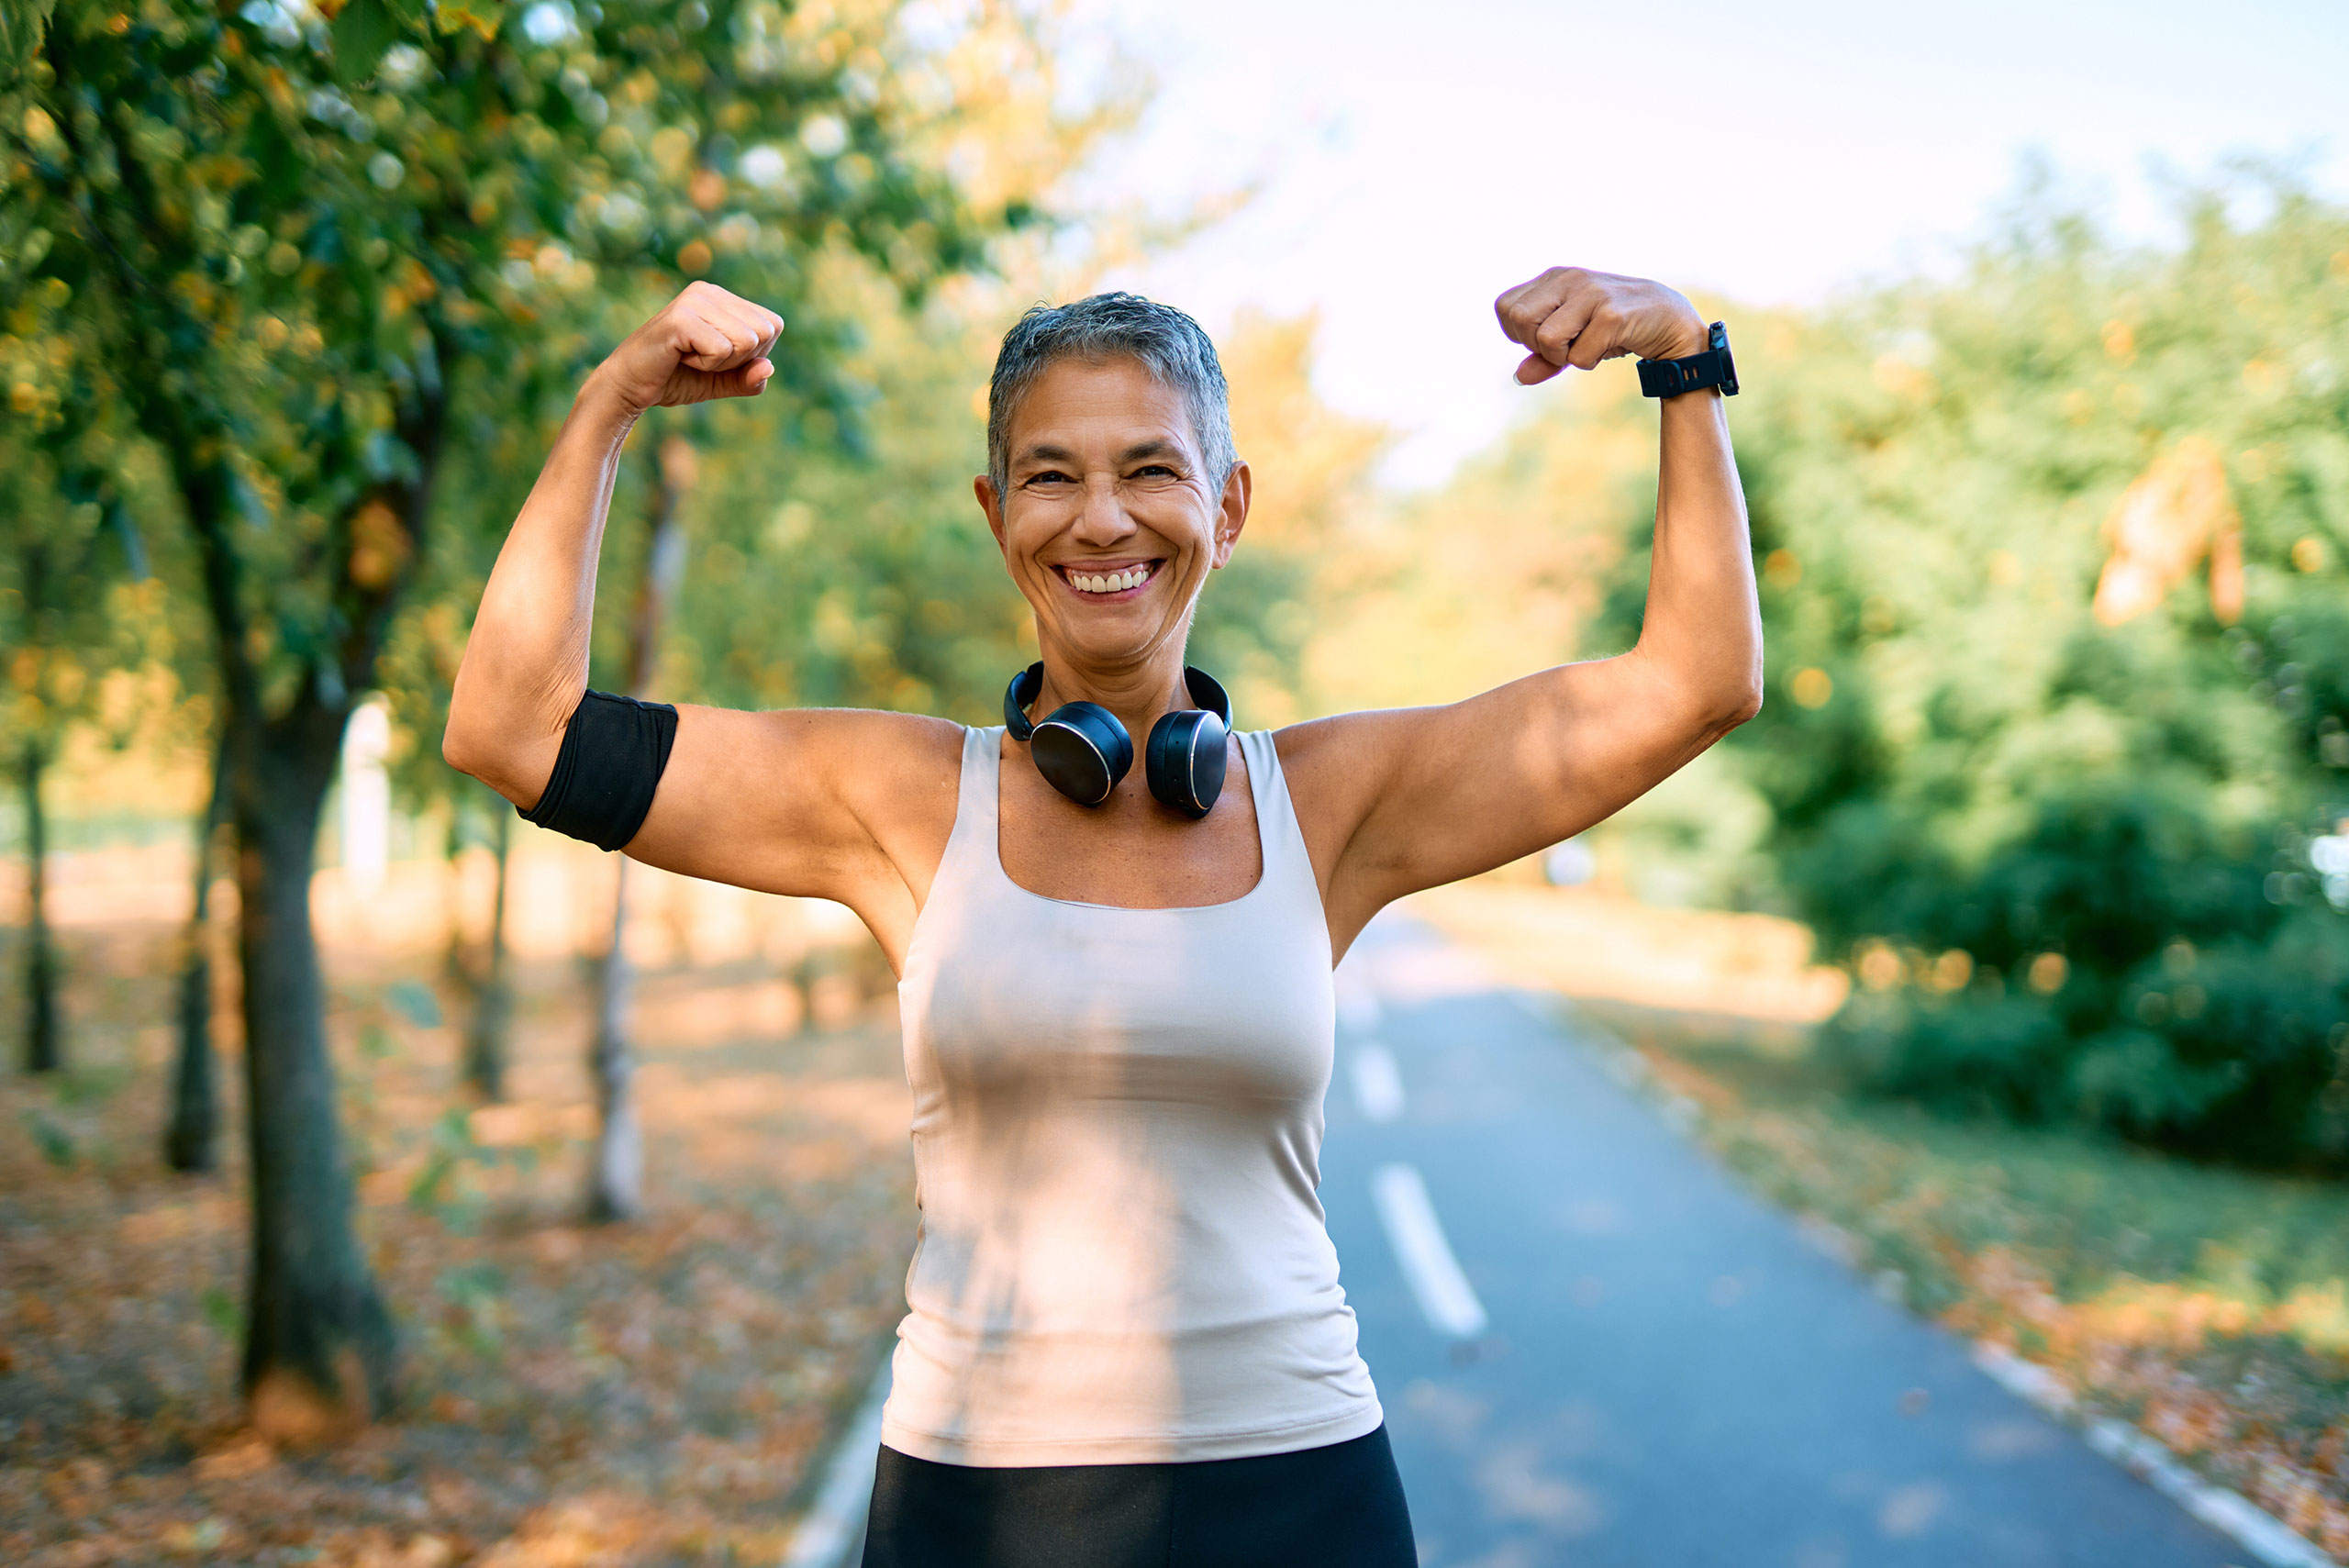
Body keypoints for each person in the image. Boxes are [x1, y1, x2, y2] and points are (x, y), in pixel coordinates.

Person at [444, 266, 1761, 1567]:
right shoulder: (899, 799)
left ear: (1229, 507)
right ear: (996, 511)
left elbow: (1697, 681)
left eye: (1152, 468)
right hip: (984, 1503)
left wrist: (1685, 363)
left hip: (1302, 1489)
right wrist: (611, 402)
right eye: (1051, 473)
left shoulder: (1336, 802)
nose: (1101, 519)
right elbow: (514, 728)